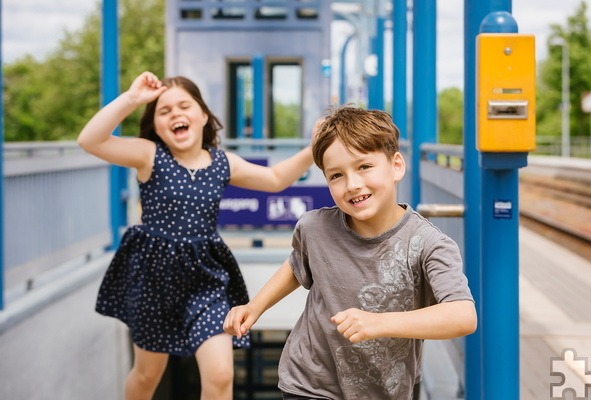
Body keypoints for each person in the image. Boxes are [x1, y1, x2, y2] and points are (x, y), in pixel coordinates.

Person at [77, 71, 315, 400]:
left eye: (184, 106)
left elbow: (274, 178)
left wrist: (313, 148)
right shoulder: (149, 155)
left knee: (219, 375)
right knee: (147, 376)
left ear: (203, 115)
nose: (175, 113)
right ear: (157, 126)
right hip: (155, 281)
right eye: (164, 111)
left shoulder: (221, 163)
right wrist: (132, 98)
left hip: (205, 280)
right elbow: (90, 140)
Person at [224, 105, 477, 400]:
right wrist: (255, 307)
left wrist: (377, 323)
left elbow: (463, 315)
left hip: (386, 390)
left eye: (364, 167)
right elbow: (296, 266)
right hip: (309, 382)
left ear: (396, 165)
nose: (353, 185)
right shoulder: (314, 226)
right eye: (336, 176)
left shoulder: (428, 243)